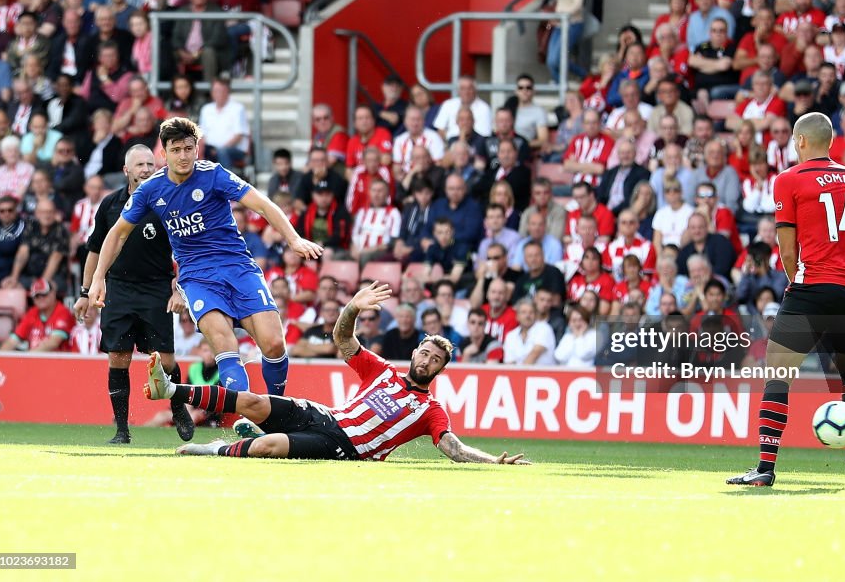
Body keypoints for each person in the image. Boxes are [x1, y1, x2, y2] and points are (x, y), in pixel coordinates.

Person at [89, 118, 323, 416]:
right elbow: (118, 233)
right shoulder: (151, 190)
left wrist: (294, 239)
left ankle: (276, 411)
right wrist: (99, 278)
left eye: (189, 148)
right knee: (226, 345)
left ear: (196, 148)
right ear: (165, 153)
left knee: (275, 344)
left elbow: (262, 204)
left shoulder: (214, 175)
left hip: (238, 267)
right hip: (197, 277)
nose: (184, 156)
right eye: (176, 150)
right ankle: (252, 416)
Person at [147, 282, 530, 463]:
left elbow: (454, 449)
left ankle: (213, 449)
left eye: (434, 361)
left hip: (344, 447)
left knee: (268, 447)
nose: (427, 361)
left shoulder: (429, 410)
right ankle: (171, 389)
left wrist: (493, 462)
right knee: (251, 401)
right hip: (324, 414)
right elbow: (342, 338)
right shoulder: (382, 370)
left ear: (440, 371)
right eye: (425, 353)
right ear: (415, 352)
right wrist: (353, 307)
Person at [728, 112, 845, 488]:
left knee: (778, 371)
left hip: (814, 285)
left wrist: (799, 285)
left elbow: (787, 246)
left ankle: (764, 467)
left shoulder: (789, 179)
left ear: (802, 141)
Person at [71, 144, 192, 444]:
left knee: (165, 360)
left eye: (150, 164)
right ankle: (122, 430)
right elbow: (95, 250)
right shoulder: (111, 204)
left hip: (156, 289)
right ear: (126, 170)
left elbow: (186, 249)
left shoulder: (168, 202)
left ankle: (178, 408)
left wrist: (180, 288)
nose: (146, 169)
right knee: (118, 357)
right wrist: (86, 292)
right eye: (140, 165)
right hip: (119, 290)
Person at [0, 278, 75, 352]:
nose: (41, 298)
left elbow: (53, 343)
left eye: (44, 294)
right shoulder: (32, 313)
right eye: (37, 296)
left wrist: (27, 358)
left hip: (58, 362)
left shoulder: (63, 312)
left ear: (53, 293)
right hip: (34, 361)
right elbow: (13, 340)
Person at [545, 0, 587, 82]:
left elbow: (578, 3)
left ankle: (585, 77)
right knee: (551, 61)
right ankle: (561, 88)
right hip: (558, 24)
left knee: (558, 59)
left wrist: (562, 14)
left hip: (572, 23)